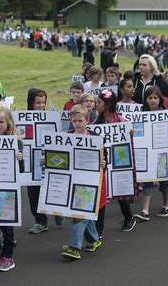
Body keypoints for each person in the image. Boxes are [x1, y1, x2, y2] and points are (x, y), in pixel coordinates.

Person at [59, 105, 105, 260]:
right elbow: (60, 158)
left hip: (90, 181)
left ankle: (74, 247)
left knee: (79, 214)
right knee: (83, 212)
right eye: (74, 120)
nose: (77, 123)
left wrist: (103, 163)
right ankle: (94, 239)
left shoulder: (95, 139)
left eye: (80, 120)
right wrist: (47, 160)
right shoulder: (66, 137)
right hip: (72, 181)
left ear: (87, 120)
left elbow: (105, 159)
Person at [0, 104, 24, 271]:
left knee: (7, 222)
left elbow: (21, 171)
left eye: (1, 122)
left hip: (7, 189)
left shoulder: (16, 142)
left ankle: (8, 254)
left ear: (8, 122)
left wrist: (18, 159)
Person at [93, 89, 137, 232]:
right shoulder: (97, 120)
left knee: (119, 192)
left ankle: (129, 217)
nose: (96, 105)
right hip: (103, 160)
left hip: (117, 158)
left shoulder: (120, 120)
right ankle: (98, 228)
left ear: (107, 104)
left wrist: (130, 131)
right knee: (102, 191)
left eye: (99, 102)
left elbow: (129, 134)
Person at [26, 89, 65, 234]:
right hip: (32, 161)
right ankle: (40, 222)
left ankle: (58, 211)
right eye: (38, 102)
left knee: (53, 187)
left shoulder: (51, 116)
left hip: (50, 158)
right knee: (33, 193)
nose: (41, 106)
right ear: (31, 102)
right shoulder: (23, 118)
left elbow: (59, 138)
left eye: (43, 102)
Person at [133, 87, 168, 221]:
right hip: (147, 152)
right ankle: (145, 210)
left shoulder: (166, 114)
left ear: (160, 99)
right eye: (150, 98)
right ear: (146, 100)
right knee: (147, 180)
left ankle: (166, 205)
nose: (153, 100)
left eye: (155, 98)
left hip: (162, 152)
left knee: (164, 181)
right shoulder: (141, 114)